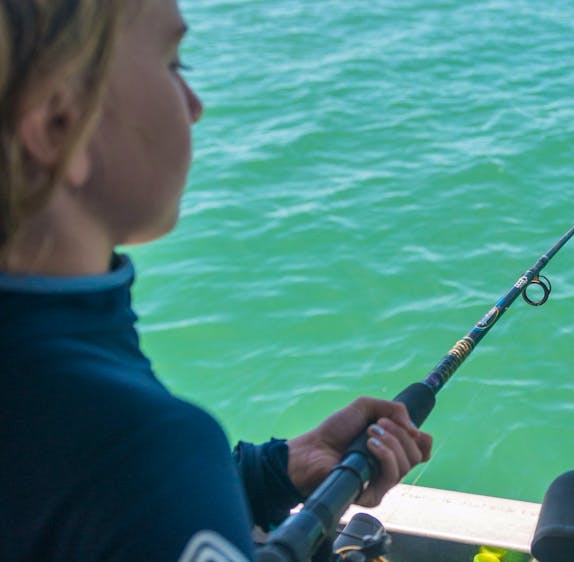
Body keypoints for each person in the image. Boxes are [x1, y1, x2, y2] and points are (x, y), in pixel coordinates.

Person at [0, 1, 433, 560]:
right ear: (60, 123)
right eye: (175, 64)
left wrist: (271, 474)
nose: (195, 107)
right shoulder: (142, 452)